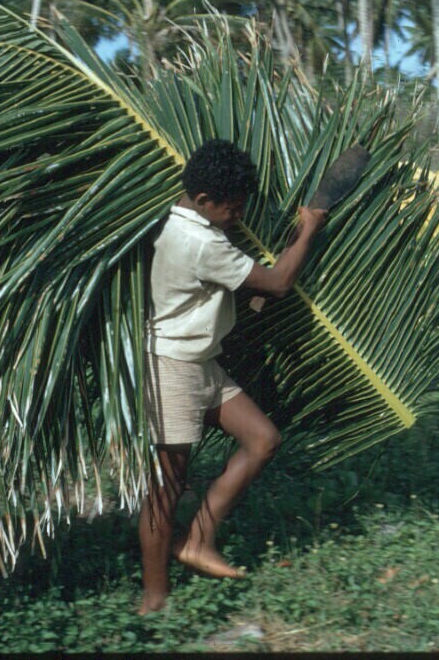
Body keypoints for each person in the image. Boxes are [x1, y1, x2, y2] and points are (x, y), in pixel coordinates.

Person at [138, 139, 327, 614]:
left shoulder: (182, 221)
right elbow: (278, 283)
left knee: (263, 439)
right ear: (204, 200)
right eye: (232, 208)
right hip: (173, 368)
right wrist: (307, 230)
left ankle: (197, 539)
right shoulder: (200, 242)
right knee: (166, 489)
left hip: (201, 361)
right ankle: (154, 600)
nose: (238, 217)